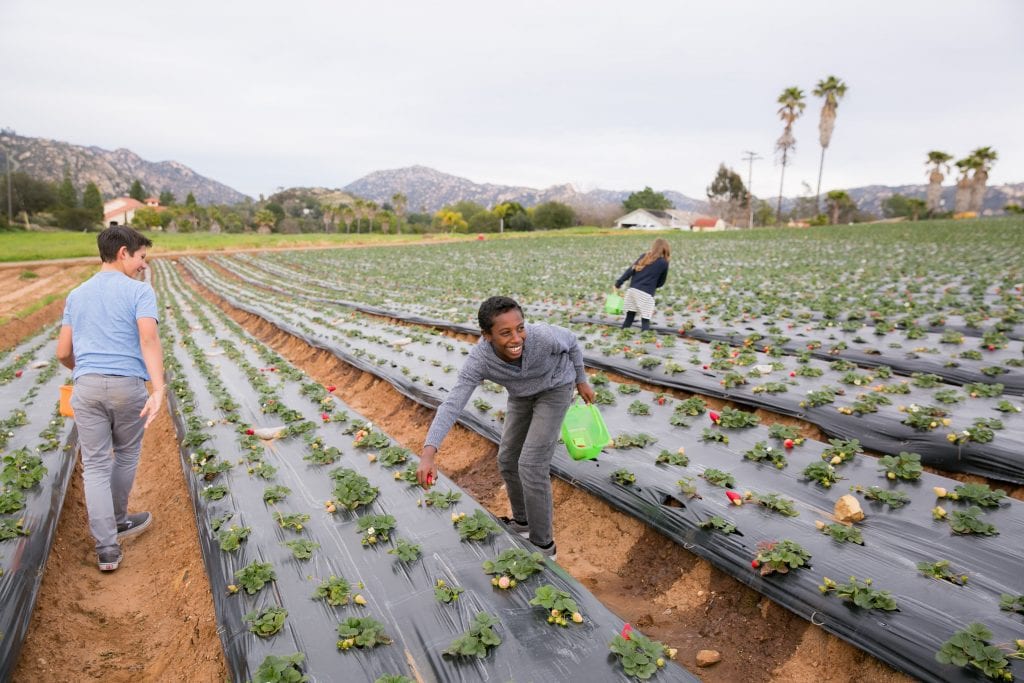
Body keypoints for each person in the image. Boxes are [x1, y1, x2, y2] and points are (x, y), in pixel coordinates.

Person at [416, 296, 595, 560]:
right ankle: (522, 522)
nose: (516, 338)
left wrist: (581, 380)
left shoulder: (541, 337)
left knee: (532, 464)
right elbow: (453, 403)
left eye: (519, 328)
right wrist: (429, 453)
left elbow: (571, 343)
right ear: (487, 335)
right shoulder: (480, 360)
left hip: (556, 388)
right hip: (521, 395)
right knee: (508, 459)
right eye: (505, 333)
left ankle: (544, 547)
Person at [57, 226, 165, 572]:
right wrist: (158, 388)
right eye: (140, 257)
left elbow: (62, 352)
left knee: (96, 464)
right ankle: (119, 520)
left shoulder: (77, 294)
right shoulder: (140, 292)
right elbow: (148, 340)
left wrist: (83, 371)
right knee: (128, 452)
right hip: (126, 386)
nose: (143, 265)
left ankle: (106, 549)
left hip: (86, 388)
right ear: (123, 253)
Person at [614, 237, 671, 331]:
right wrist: (652, 285)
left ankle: (622, 333)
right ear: (665, 249)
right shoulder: (663, 263)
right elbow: (661, 282)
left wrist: (618, 283)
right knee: (645, 320)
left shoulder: (644, 256)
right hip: (645, 294)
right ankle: (645, 340)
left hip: (632, 291)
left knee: (629, 318)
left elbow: (630, 270)